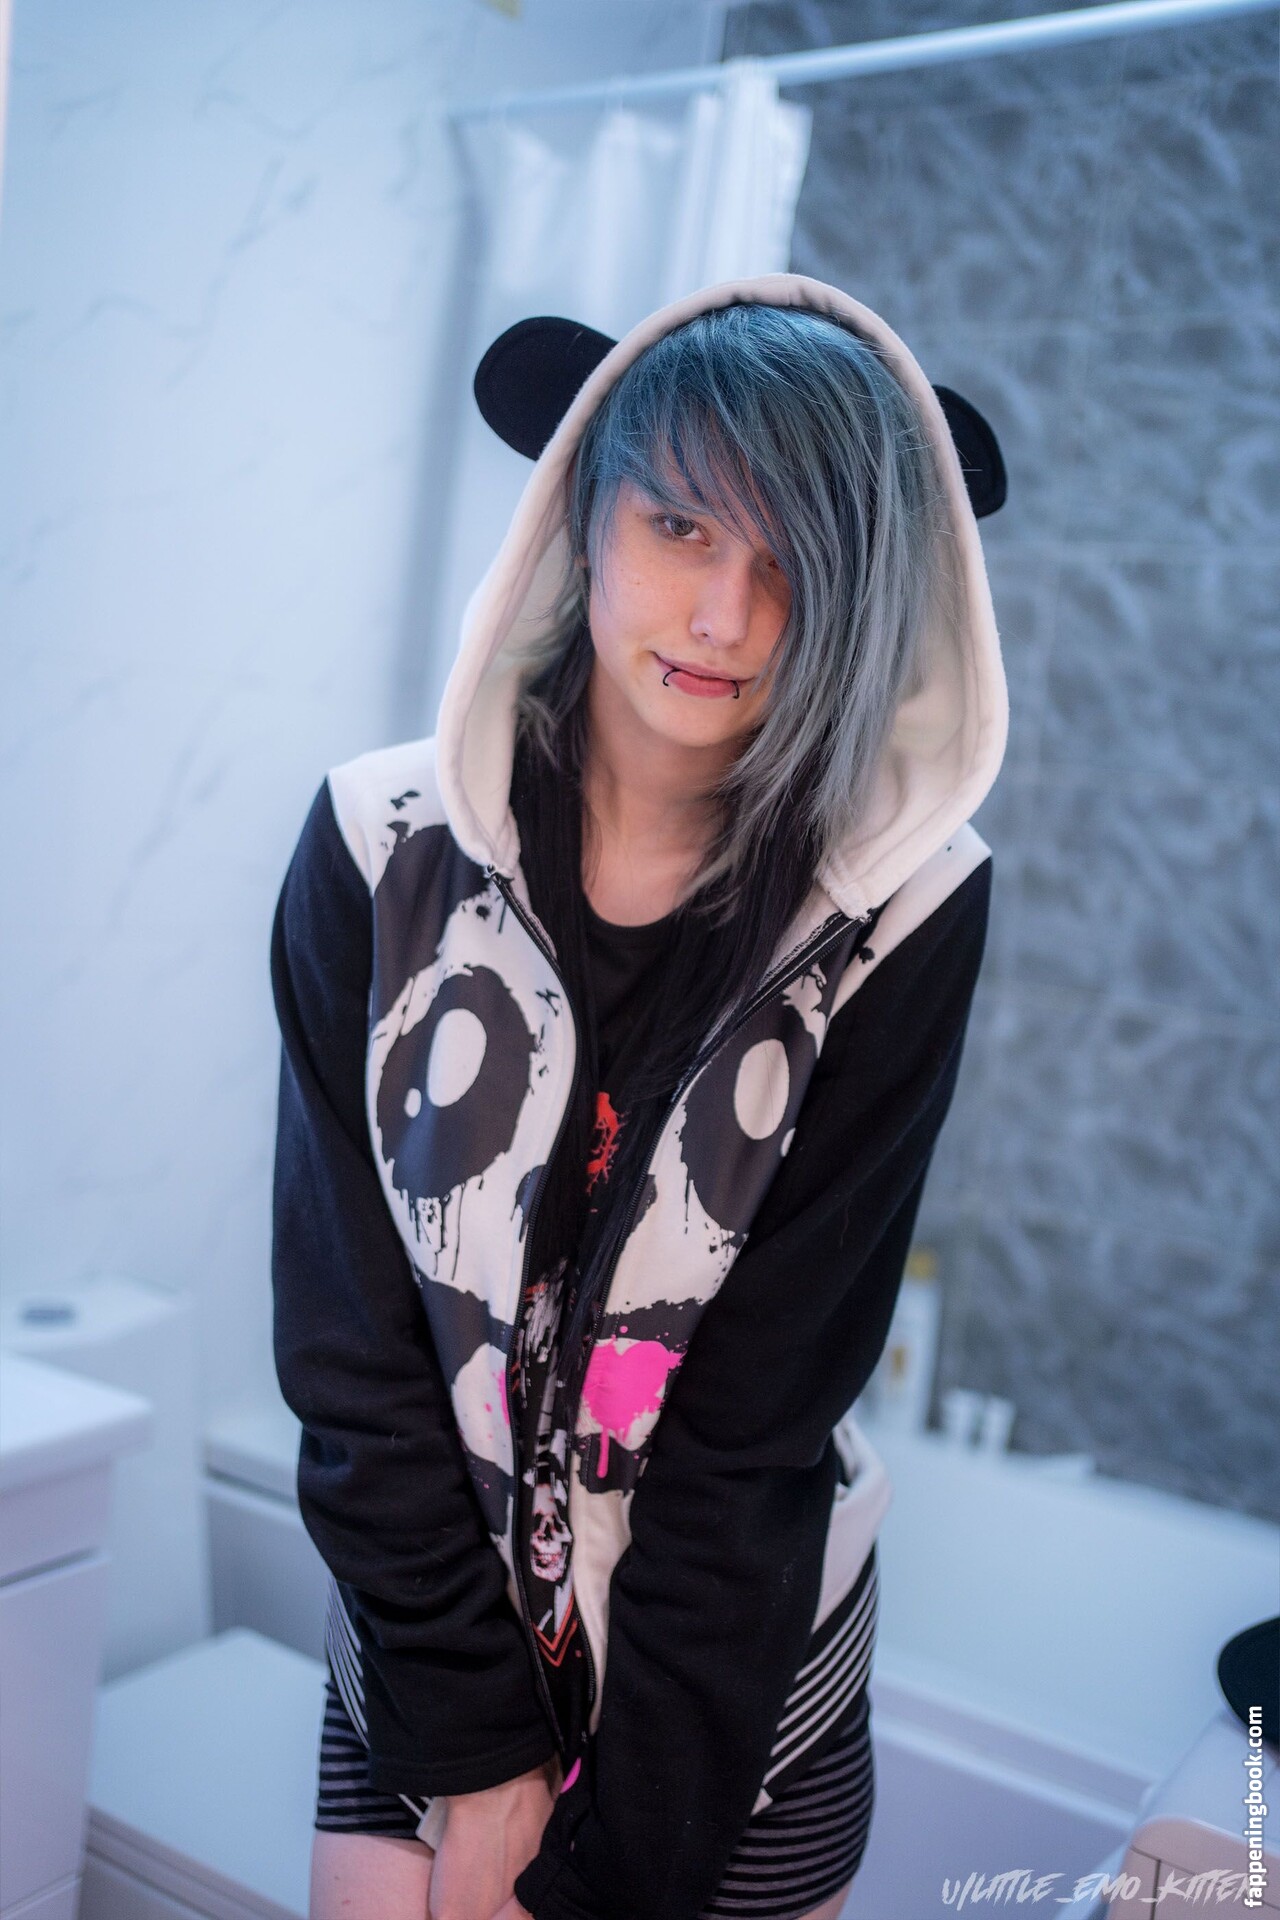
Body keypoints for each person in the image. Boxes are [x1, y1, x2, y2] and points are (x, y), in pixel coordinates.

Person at [270, 274, 1008, 1920]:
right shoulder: (375, 848)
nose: (726, 618)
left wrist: (623, 1867)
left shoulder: (906, 918)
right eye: (681, 526)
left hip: (731, 1699)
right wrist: (478, 1761)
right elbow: (348, 1350)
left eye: (794, 562)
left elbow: (756, 1434)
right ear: (582, 515)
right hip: (426, 1631)